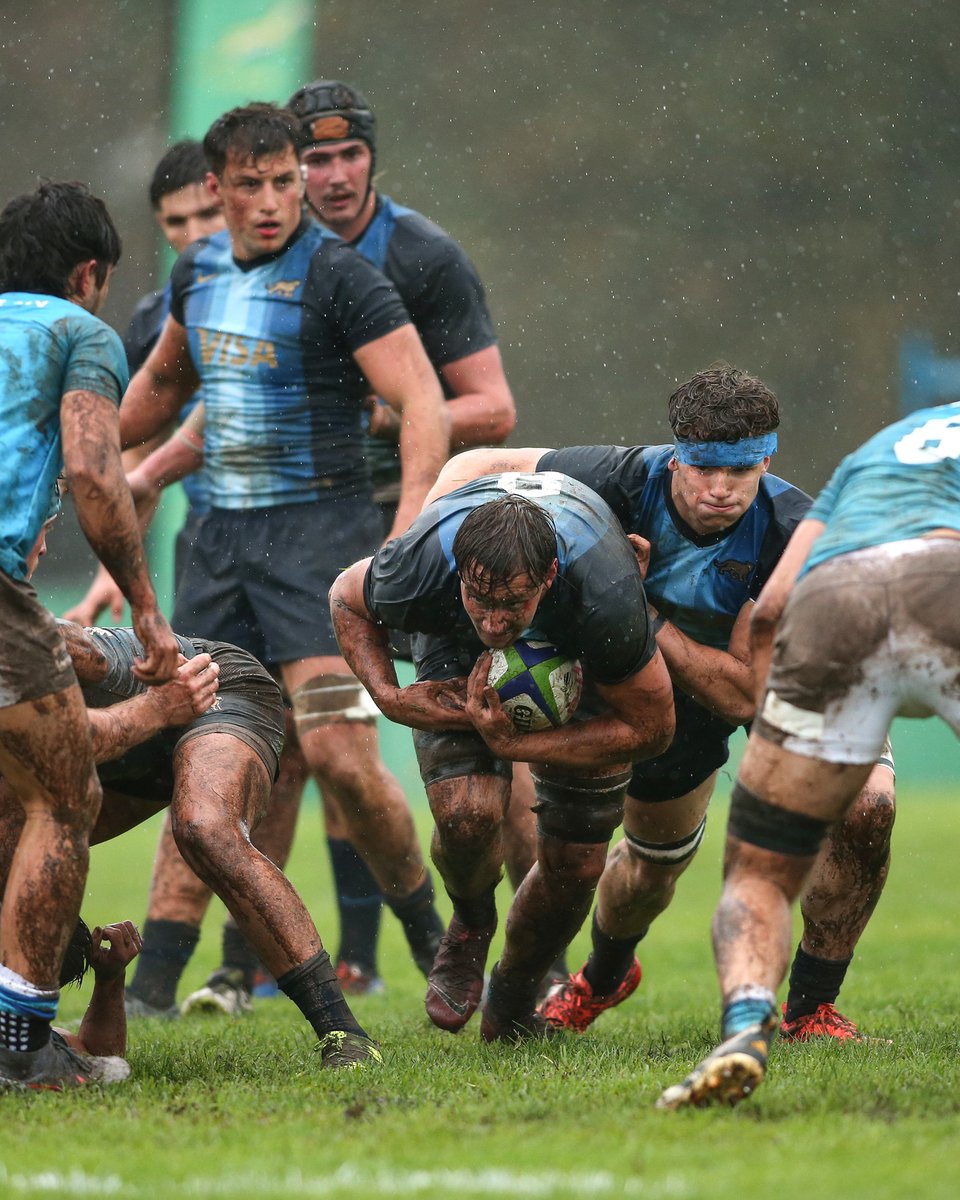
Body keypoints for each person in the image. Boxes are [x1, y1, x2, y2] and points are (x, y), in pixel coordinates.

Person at [424, 365, 896, 1044]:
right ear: (676, 454)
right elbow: (480, 462)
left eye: (739, 472)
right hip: (650, 689)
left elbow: (742, 693)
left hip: (785, 677)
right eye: (702, 468)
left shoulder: (795, 531)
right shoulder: (621, 477)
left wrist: (640, 610)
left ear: (767, 460)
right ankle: (605, 976)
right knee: (648, 869)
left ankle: (809, 1010)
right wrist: (422, 532)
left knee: (868, 807)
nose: (718, 490)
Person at [118, 103, 452, 1009]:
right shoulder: (198, 271)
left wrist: (408, 529)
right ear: (216, 188)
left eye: (284, 181)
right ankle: (152, 988)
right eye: (251, 184)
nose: (271, 201)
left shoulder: (342, 277)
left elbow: (425, 402)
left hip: (321, 547)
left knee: (342, 757)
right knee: (195, 760)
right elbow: (160, 385)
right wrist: (77, 448)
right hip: (218, 549)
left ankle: (434, 942)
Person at [658, 399, 960, 1108]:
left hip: (834, 601)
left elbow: (769, 611)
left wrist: (776, 730)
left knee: (761, 868)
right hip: (945, 581)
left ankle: (744, 1025)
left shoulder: (884, 444)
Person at [330, 475, 676, 1039]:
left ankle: (513, 999)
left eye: (513, 604)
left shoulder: (604, 595)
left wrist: (519, 747)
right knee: (466, 817)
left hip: (576, 640)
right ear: (459, 575)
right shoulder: (421, 566)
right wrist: (390, 697)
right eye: (480, 599)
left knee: (578, 864)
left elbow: (654, 729)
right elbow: (345, 597)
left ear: (549, 577)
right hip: (451, 639)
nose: (493, 622)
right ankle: (470, 923)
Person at [0, 181, 179, 1090]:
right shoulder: (78, 332)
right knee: (61, 801)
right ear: (89, 274)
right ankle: (20, 1043)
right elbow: (94, 472)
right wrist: (145, 609)